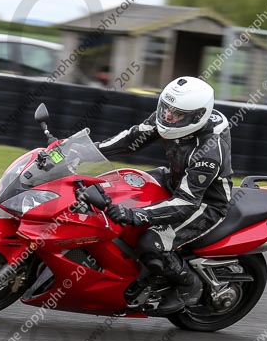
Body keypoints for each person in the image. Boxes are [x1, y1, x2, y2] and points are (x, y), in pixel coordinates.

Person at [97, 76, 233, 315]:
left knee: (151, 241)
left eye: (176, 113)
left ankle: (188, 285)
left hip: (204, 203)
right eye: (166, 108)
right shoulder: (170, 119)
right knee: (117, 186)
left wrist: (136, 214)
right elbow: (131, 139)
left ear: (196, 116)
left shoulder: (208, 150)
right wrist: (85, 148)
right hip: (173, 178)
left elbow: (186, 203)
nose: (168, 116)